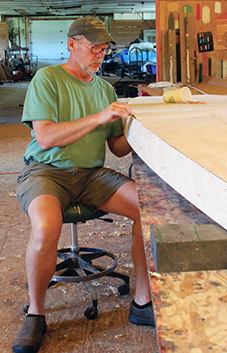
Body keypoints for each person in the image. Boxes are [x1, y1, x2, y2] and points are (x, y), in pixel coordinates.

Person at [13, 17, 155, 353]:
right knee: (47, 226)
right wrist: (101, 116)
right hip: (46, 171)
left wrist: (142, 129)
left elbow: (117, 148)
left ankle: (141, 302)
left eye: (104, 49)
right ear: (72, 44)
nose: (100, 54)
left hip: (92, 175)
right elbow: (45, 137)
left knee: (147, 210)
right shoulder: (47, 79)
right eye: (94, 47)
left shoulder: (105, 89)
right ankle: (36, 313)